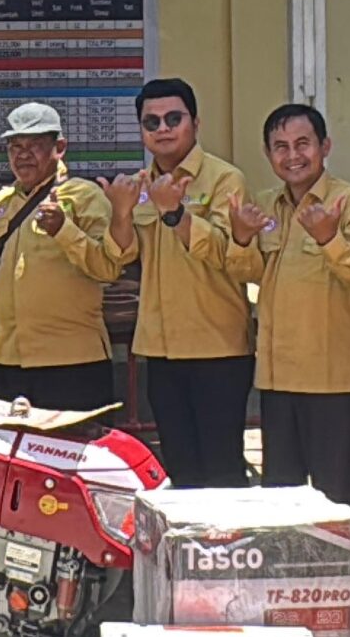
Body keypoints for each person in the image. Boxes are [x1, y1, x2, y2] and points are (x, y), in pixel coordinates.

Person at [101, 77, 260, 487]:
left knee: (222, 468)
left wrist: (176, 216)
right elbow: (121, 257)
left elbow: (232, 256)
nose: (163, 128)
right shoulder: (138, 187)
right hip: (161, 347)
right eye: (151, 122)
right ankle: (190, 551)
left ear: (195, 122)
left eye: (174, 118)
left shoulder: (224, 180)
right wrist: (120, 215)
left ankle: (229, 550)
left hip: (217, 346)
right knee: (181, 468)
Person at [231, 104, 350, 506]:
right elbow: (250, 273)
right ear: (268, 154)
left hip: (331, 380)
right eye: (280, 146)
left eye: (303, 144)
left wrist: (329, 239)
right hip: (277, 379)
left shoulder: (349, 202)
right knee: (282, 502)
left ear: (325, 146)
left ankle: (345, 571)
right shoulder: (265, 205)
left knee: (336, 502)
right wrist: (242, 238)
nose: (292, 155)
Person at [0, 103, 124, 412]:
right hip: (9, 361)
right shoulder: (0, 202)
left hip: (71, 361)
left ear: (59, 148)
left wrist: (63, 229)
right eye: (15, 147)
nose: (23, 155)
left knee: (71, 455)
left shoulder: (84, 196)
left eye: (34, 146)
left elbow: (107, 268)